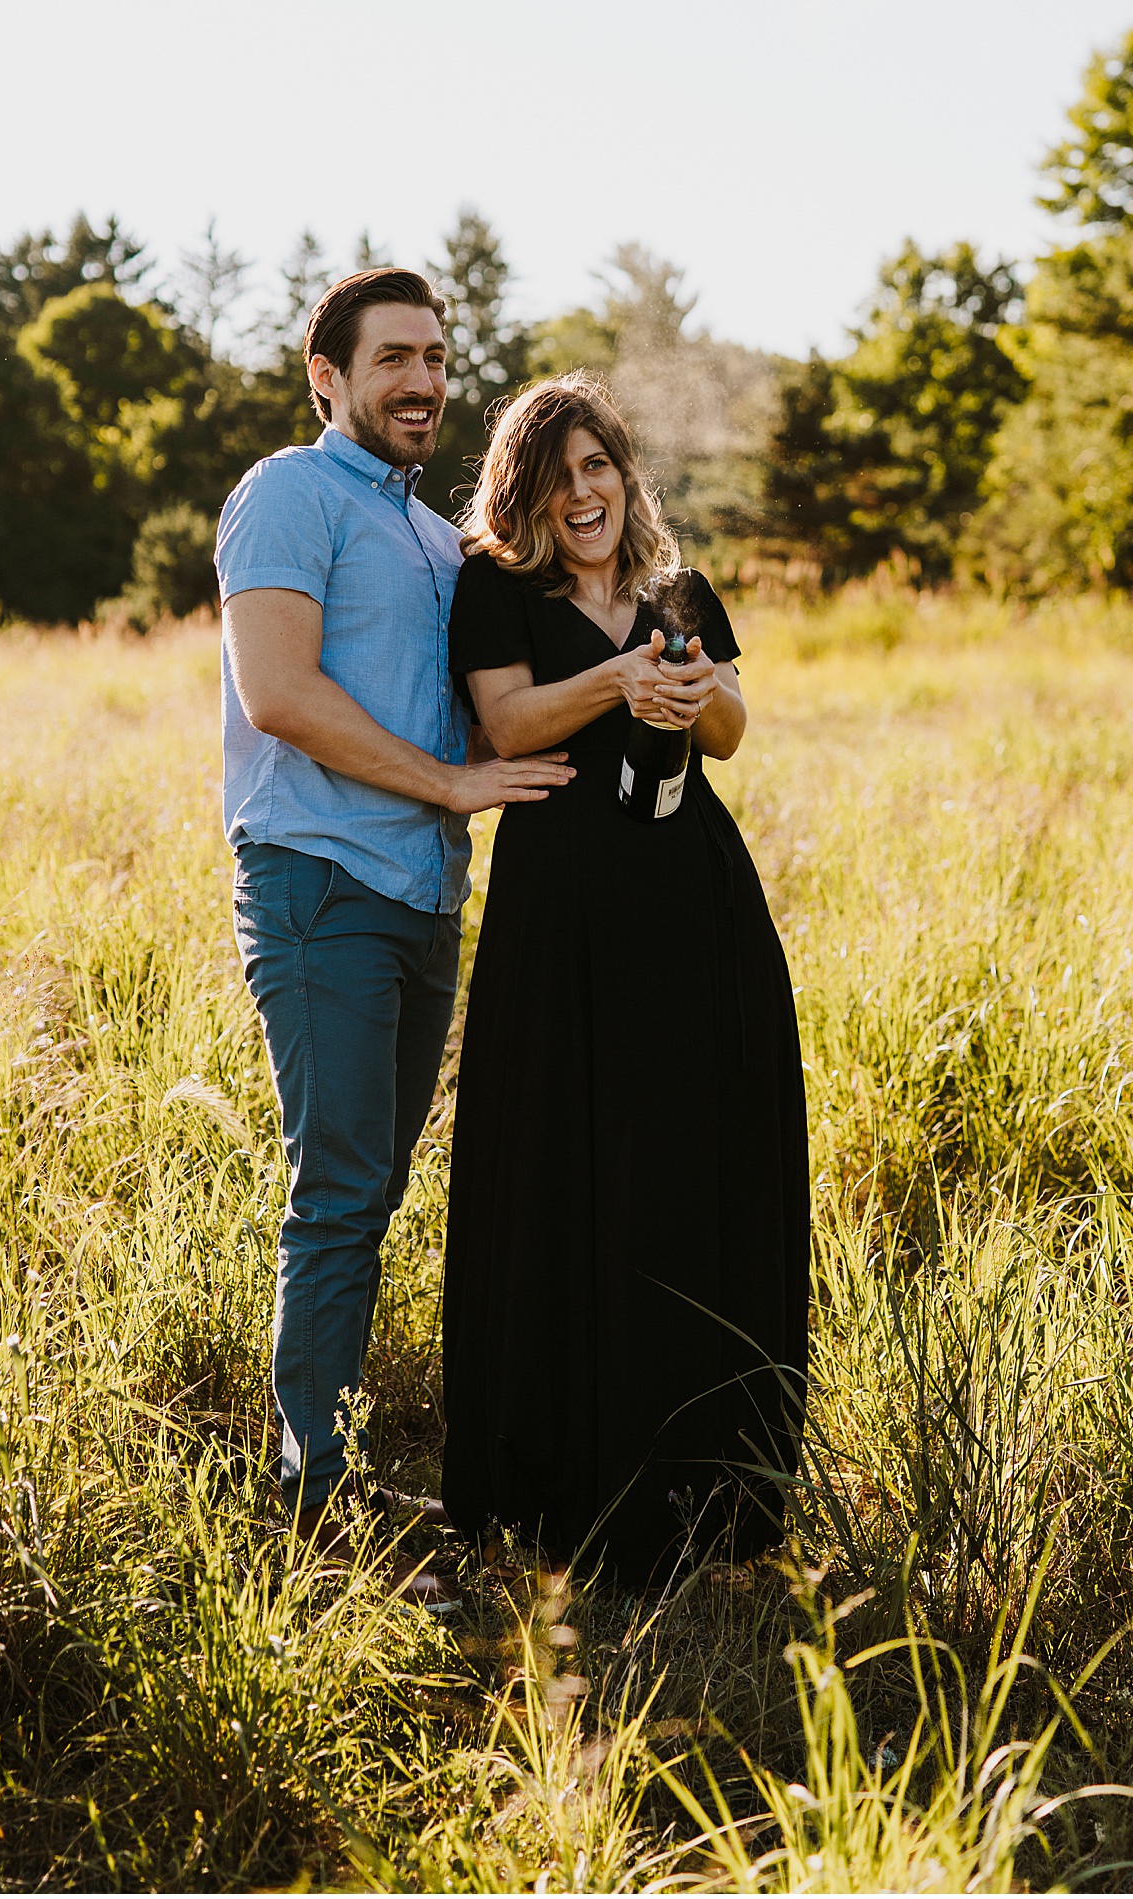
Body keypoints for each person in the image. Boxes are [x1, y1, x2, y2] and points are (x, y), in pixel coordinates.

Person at [214, 266, 573, 1600]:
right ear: (328, 377)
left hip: (426, 901)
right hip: (319, 885)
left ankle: (342, 1466)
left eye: (435, 354)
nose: (422, 378)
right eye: (392, 358)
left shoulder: (437, 541)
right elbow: (283, 693)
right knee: (340, 1194)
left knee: (370, 1195)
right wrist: (454, 785)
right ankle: (316, 1527)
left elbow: (475, 717)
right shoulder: (287, 495)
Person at [440, 373, 810, 1585]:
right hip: (562, 912)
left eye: (597, 466)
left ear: (621, 476)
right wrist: (617, 683)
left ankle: (706, 1479)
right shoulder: (495, 589)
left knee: (688, 1162)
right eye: (556, 475)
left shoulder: (676, 590)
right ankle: (561, 1480)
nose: (582, 491)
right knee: (566, 1156)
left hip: (691, 899)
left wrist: (694, 693)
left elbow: (734, 728)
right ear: (523, 492)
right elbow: (503, 727)